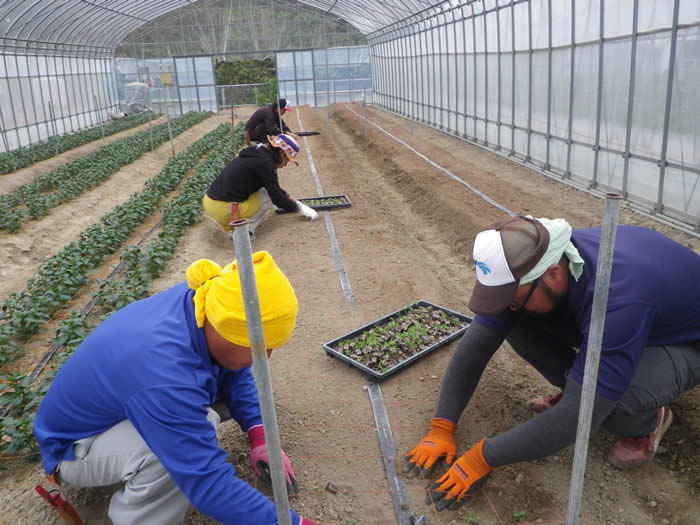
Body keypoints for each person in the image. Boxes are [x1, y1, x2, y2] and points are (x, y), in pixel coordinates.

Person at [406, 216, 700, 511]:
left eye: (511, 299)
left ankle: (647, 421)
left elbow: (578, 417)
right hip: (648, 313)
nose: (507, 306)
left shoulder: (615, 301)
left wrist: (483, 457)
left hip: (686, 341)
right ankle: (585, 381)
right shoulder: (532, 267)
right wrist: (442, 425)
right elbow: (476, 346)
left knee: (611, 401)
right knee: (519, 321)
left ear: (553, 275)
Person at [33, 252, 334, 525]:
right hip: (74, 446)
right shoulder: (163, 369)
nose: (267, 357)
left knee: (213, 399)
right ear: (224, 328)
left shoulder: (205, 301)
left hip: (123, 407)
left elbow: (236, 370)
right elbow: (208, 485)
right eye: (260, 346)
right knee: (170, 452)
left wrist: (259, 433)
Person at [202, 133, 318, 238]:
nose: (285, 165)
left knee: (266, 193)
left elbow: (274, 188)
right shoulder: (266, 164)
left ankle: (240, 230)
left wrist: (297, 203)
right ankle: (242, 234)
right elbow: (277, 198)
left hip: (210, 201)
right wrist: (300, 209)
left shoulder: (259, 154)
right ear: (282, 153)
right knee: (267, 198)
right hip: (222, 207)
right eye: (287, 160)